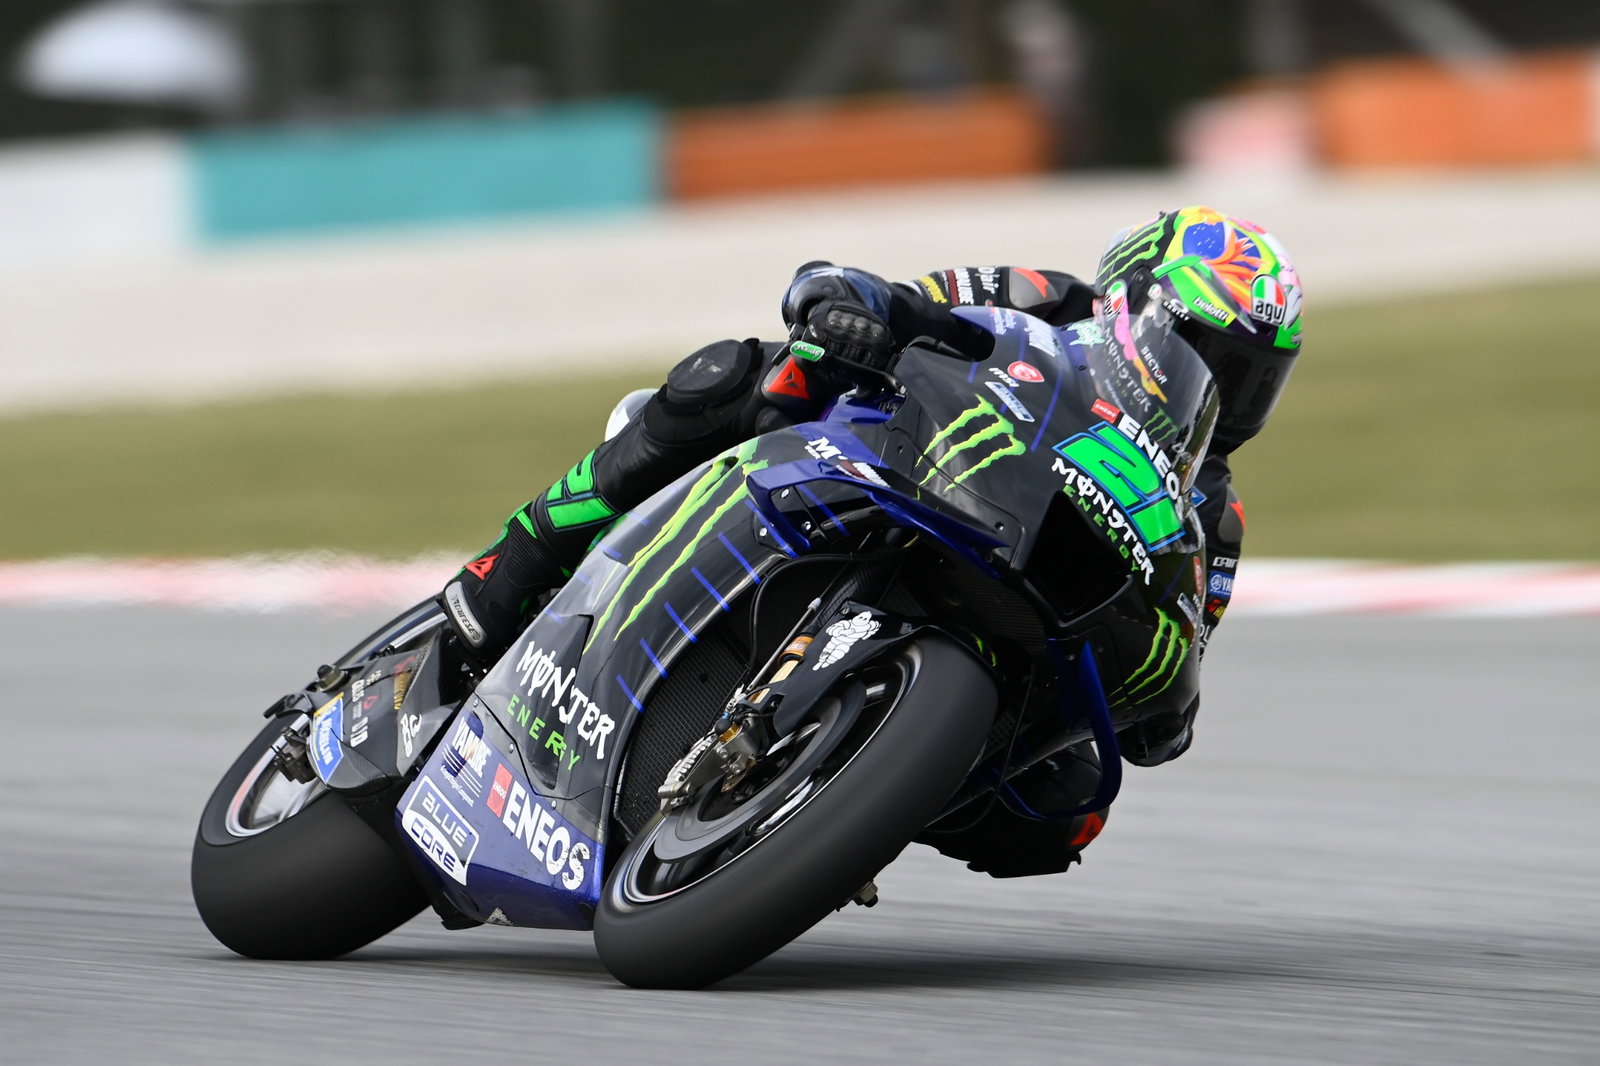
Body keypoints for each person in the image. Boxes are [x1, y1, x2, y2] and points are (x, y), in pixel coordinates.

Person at [440, 205, 1304, 877]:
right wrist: (847, 304)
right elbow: (903, 297)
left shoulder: (1210, 513)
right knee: (744, 376)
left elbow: (1185, 647)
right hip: (890, 454)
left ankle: (840, 798)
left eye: (1254, 378)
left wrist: (1162, 703)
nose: (1228, 391)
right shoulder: (1049, 298)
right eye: (1206, 354)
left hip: (1014, 604)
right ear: (1130, 301)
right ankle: (509, 566)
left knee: (1065, 805)